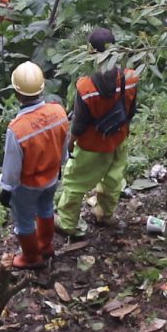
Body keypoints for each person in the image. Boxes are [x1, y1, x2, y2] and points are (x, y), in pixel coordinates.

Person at [58, 27, 140, 234]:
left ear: (91, 52)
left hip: (91, 146)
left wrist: (70, 142)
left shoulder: (86, 87)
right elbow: (131, 110)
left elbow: (79, 123)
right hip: (119, 138)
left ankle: (68, 223)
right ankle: (106, 215)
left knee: (75, 183)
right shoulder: (130, 78)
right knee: (113, 179)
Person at [0, 62, 68, 269]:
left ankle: (30, 257)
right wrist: (60, 165)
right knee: (46, 208)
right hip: (52, 175)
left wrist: (6, 189)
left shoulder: (17, 128)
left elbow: (12, 166)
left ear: (17, 93)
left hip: (28, 184)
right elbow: (64, 145)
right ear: (42, 88)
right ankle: (45, 246)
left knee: (24, 221)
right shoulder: (59, 112)